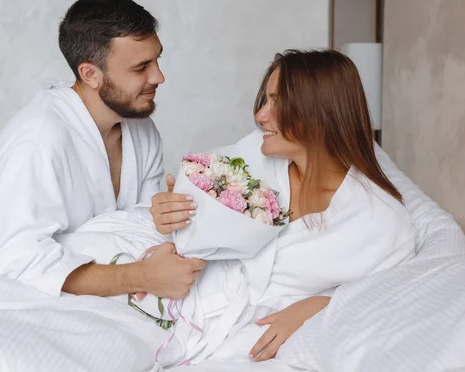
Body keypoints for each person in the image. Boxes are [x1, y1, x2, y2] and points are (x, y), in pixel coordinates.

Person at [150, 49, 416, 364]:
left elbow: (394, 297)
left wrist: (320, 305)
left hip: (248, 338)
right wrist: (169, 209)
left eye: (277, 103)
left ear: (321, 112)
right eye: (265, 101)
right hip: (179, 294)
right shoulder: (254, 154)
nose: (261, 115)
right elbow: (198, 204)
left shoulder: (379, 218)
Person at [0, 0, 204, 299]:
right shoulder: (37, 142)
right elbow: (14, 262)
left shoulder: (141, 128)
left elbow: (139, 231)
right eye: (141, 67)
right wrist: (140, 277)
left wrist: (165, 216)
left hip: (115, 299)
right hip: (15, 298)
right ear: (90, 74)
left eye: (157, 60)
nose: (159, 76)